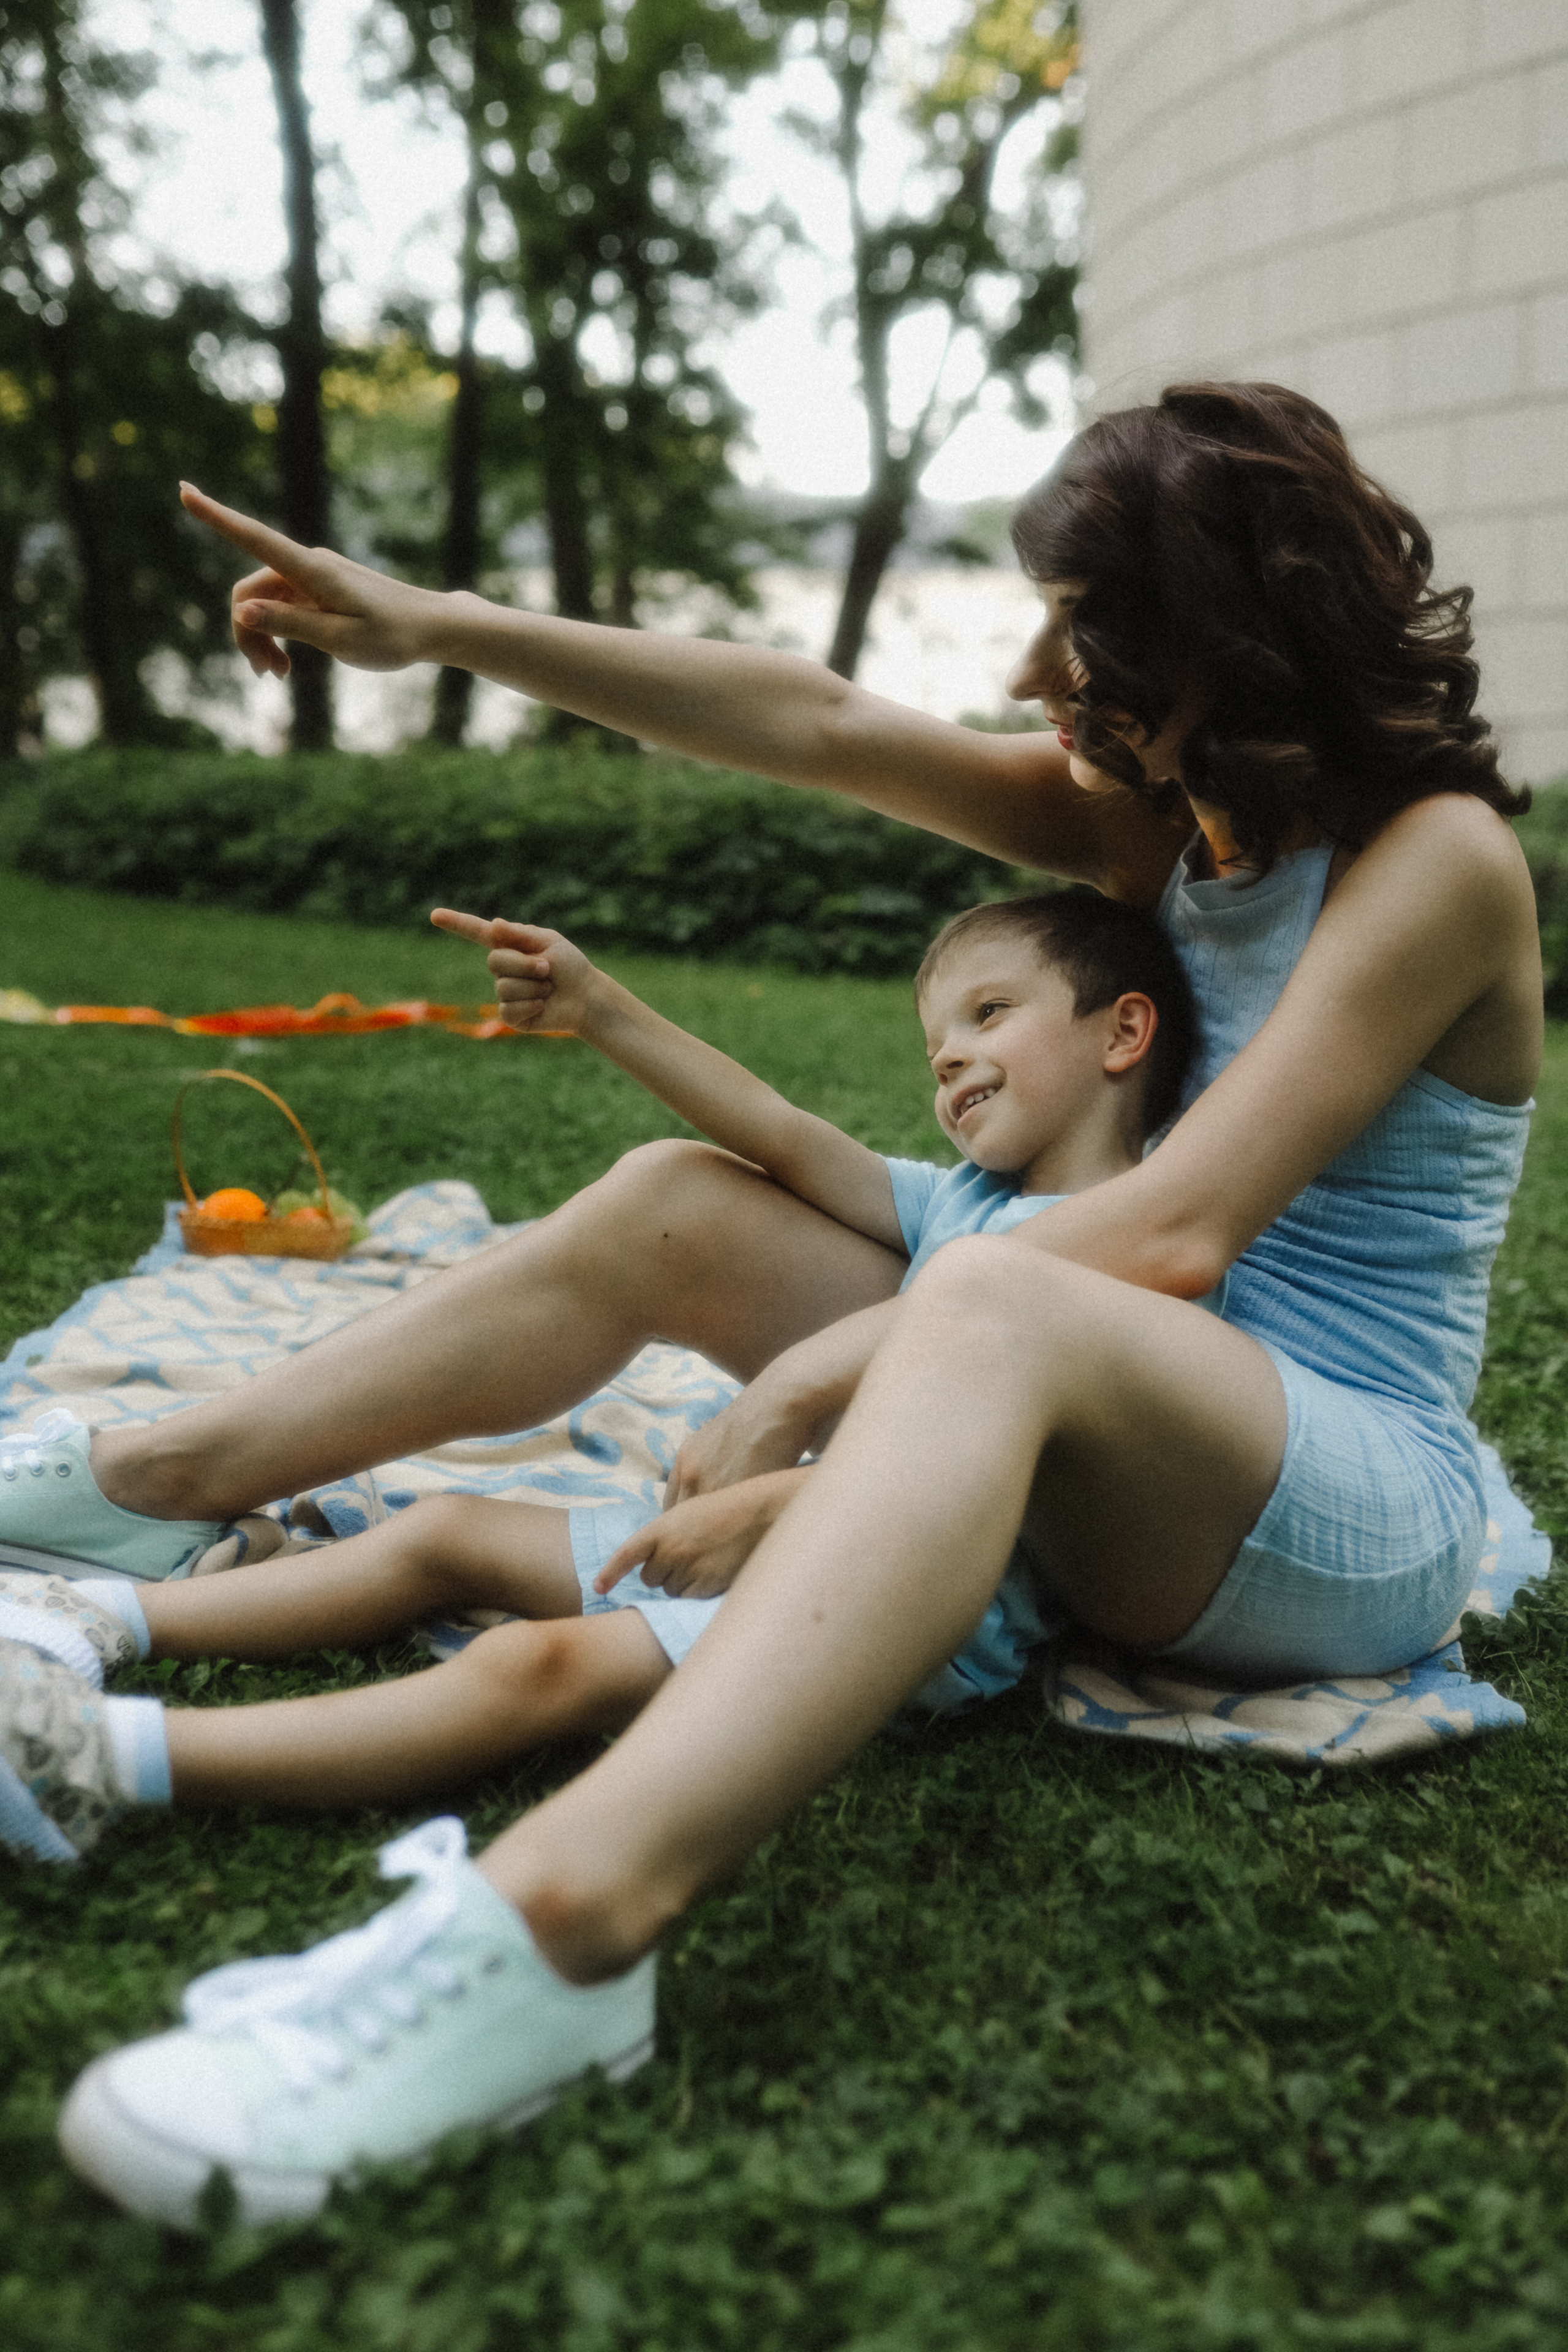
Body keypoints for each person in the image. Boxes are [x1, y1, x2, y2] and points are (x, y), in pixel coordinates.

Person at [4, 380, 1539, 2231]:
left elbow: (1181, 1231)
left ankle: (568, 1928)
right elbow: (811, 718)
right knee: (679, 1206)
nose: (1046, 666)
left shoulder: (1435, 862)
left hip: (1336, 1496)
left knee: (985, 1307)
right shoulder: (1167, 827)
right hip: (1138, 1397)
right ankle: (159, 1480)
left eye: (1099, 630)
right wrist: (429, 622)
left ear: (1243, 633)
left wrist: (833, 1365)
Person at [0, 888, 1195, 1858]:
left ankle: (105, 1762)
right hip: (769, 1532)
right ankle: (87, 1616)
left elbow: (1032, 1492)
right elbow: (777, 1135)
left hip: (897, 1607)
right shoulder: (965, 1202)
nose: (951, 1062)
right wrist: (600, 1008)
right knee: (445, 1534)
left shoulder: (1146, 1258)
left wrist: (770, 1507)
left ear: (1120, 1032)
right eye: (937, 1048)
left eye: (988, 1015)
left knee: (533, 1668)